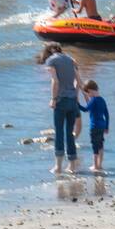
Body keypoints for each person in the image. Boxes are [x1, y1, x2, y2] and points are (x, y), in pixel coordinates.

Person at [39, 42, 81, 175]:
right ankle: (72, 166)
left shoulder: (52, 60)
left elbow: (55, 81)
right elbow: (79, 81)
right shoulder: (70, 59)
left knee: (59, 133)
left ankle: (58, 167)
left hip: (61, 100)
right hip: (72, 100)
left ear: (50, 51)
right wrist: (78, 95)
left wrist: (53, 99)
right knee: (70, 133)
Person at [81, 80, 110, 172]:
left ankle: (95, 166)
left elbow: (85, 109)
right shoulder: (102, 99)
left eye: (88, 93)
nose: (88, 96)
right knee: (101, 145)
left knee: (94, 146)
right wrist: (107, 126)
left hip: (94, 126)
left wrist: (76, 104)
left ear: (90, 90)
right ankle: (100, 165)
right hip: (102, 125)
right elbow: (107, 114)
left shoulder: (93, 100)